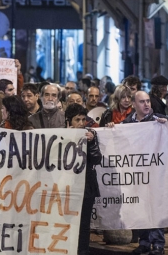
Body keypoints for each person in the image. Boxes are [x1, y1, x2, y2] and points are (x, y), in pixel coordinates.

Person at [125, 91, 168, 255]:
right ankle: (144, 242)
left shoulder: (159, 120)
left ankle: (157, 244)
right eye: (142, 102)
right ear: (134, 104)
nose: (147, 104)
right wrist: (112, 128)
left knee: (155, 208)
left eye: (148, 101)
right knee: (140, 208)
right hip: (137, 174)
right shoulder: (128, 123)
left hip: (156, 174)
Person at [64, 104, 102, 255]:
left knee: (84, 223)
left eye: (83, 119)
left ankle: (83, 250)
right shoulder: (59, 134)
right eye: (77, 120)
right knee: (68, 221)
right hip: (67, 186)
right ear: (68, 122)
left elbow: (97, 159)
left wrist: (92, 143)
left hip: (87, 185)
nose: (81, 123)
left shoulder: (90, 134)